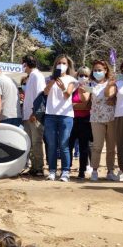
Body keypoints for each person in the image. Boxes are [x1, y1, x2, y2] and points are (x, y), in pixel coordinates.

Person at [43, 54, 76, 182]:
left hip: (66, 116)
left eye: (64, 63)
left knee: (64, 144)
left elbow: (68, 95)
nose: (61, 65)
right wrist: (51, 82)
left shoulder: (71, 80)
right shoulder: (48, 79)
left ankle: (65, 171)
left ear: (68, 66)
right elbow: (45, 93)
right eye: (59, 63)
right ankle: (52, 170)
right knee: (51, 144)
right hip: (50, 114)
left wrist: (63, 87)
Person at [88, 59, 116, 181]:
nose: (97, 72)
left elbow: (108, 95)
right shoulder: (89, 84)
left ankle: (110, 171)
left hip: (111, 118)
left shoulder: (112, 83)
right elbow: (85, 99)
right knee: (97, 146)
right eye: (95, 70)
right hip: (96, 118)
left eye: (100, 70)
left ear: (105, 70)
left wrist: (109, 85)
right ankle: (94, 170)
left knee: (111, 147)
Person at [21, 55, 46, 176]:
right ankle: (33, 167)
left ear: (27, 64)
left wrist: (34, 113)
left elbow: (40, 95)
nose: (22, 66)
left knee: (36, 142)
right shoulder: (30, 76)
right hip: (27, 115)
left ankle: (39, 167)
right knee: (30, 142)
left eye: (23, 64)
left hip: (34, 115)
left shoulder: (37, 75)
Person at [69, 66, 92, 179]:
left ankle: (82, 171)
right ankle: (67, 169)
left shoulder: (89, 88)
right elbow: (67, 105)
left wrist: (73, 106)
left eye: (86, 75)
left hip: (85, 121)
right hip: (72, 120)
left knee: (84, 147)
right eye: (81, 75)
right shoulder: (72, 88)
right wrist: (78, 106)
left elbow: (87, 104)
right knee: (69, 146)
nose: (83, 77)